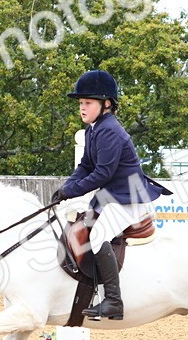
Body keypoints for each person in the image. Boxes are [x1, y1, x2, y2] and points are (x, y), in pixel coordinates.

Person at [51, 70, 168, 320]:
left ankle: (114, 301)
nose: (82, 108)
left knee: (97, 235)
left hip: (129, 197)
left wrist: (71, 190)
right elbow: (85, 166)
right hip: (112, 196)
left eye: (87, 103)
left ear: (106, 104)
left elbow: (102, 173)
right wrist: (66, 188)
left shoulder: (109, 131)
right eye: (81, 103)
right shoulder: (94, 129)